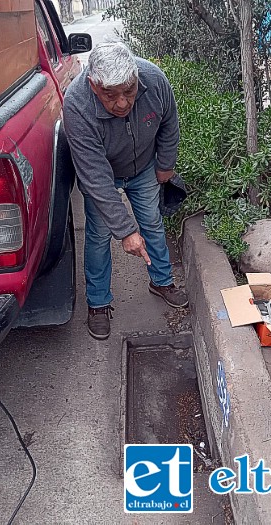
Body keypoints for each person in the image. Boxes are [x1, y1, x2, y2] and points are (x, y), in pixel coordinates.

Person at [63, 41, 188, 340]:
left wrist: (165, 165)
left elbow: (169, 123)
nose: (122, 103)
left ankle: (161, 281)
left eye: (129, 92)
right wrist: (125, 230)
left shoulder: (153, 79)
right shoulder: (76, 104)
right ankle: (98, 303)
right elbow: (94, 176)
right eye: (110, 95)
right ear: (94, 85)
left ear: (136, 78)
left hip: (144, 167)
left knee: (153, 225)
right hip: (104, 175)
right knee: (98, 236)